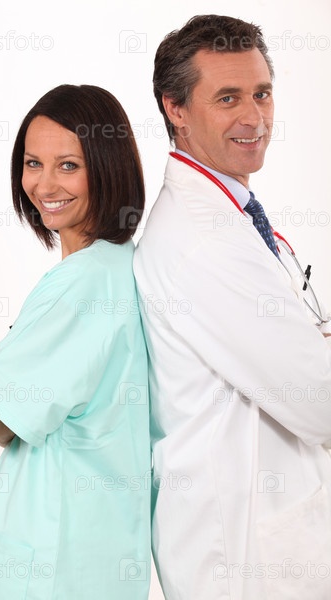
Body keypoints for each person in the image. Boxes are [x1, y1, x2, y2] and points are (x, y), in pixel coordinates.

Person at [133, 14, 331, 600]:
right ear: (175, 108)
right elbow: (319, 399)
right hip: (244, 559)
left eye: (262, 93)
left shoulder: (230, 214)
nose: (255, 118)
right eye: (228, 98)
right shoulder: (203, 240)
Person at [0, 84, 151, 600]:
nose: (44, 184)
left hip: (50, 563)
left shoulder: (80, 285)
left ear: (107, 168)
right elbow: (11, 416)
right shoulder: (124, 267)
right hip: (101, 556)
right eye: (32, 163)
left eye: (68, 165)